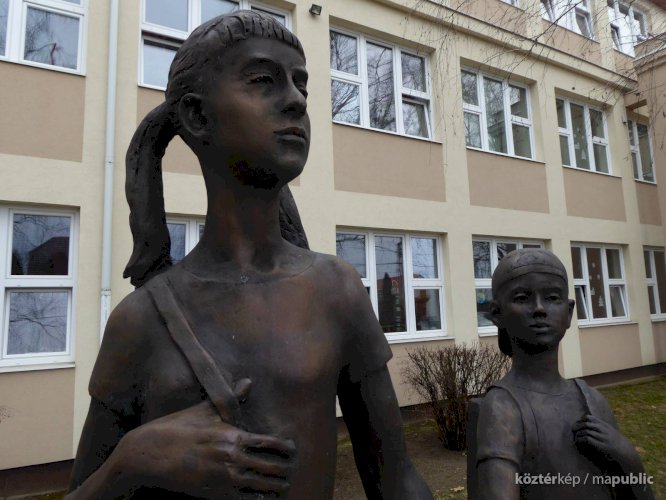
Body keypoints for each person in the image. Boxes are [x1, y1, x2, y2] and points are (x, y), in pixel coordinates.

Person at [66, 11, 432, 500]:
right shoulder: (141, 320)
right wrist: (131, 461)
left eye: (301, 85)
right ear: (197, 116)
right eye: (264, 80)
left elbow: (397, 482)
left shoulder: (336, 291)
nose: (296, 100)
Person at [469, 248, 653, 499]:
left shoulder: (592, 401)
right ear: (497, 314)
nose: (539, 308)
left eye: (552, 297)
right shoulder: (503, 408)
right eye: (522, 298)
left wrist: (627, 456)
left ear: (569, 312)